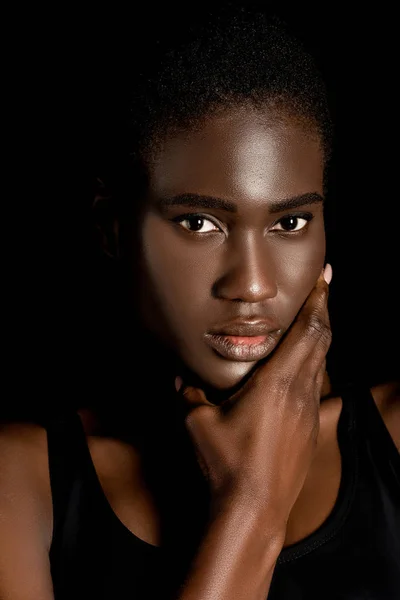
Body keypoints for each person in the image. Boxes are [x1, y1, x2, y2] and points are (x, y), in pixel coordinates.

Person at [0, 5, 399, 599]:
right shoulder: (22, 479)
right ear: (113, 229)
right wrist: (252, 507)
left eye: (290, 222)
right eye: (199, 222)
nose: (253, 285)